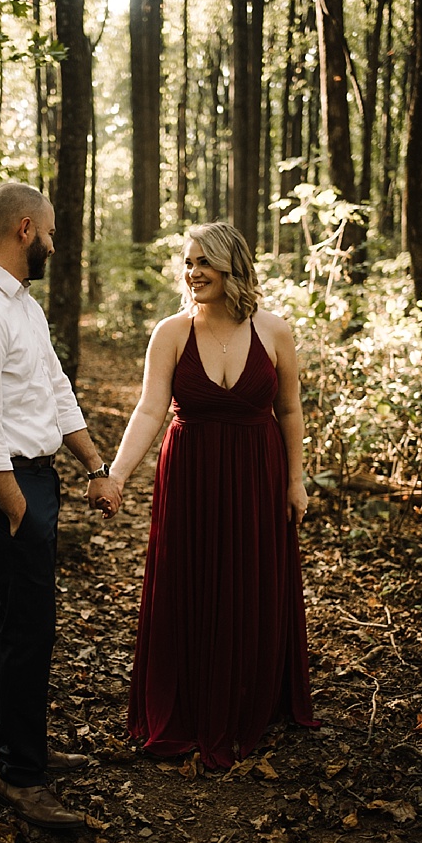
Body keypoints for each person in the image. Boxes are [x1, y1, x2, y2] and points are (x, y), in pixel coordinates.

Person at [0, 181, 122, 830]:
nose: (52, 242)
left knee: (23, 624)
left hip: (34, 483)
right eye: (48, 231)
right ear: (23, 229)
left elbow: (54, 388)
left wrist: (96, 467)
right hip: (4, 489)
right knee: (29, 629)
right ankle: (23, 778)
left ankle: (22, 746)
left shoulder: (21, 306)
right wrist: (15, 504)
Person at [106, 222, 317, 769]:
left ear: (231, 266)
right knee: (191, 579)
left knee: (251, 580)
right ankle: (191, 703)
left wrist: (296, 481)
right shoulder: (172, 333)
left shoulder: (275, 331)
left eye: (204, 262)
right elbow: (151, 409)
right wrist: (117, 474)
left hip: (257, 474)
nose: (192, 272)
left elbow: (289, 410)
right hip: (191, 474)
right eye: (188, 262)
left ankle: (251, 699)